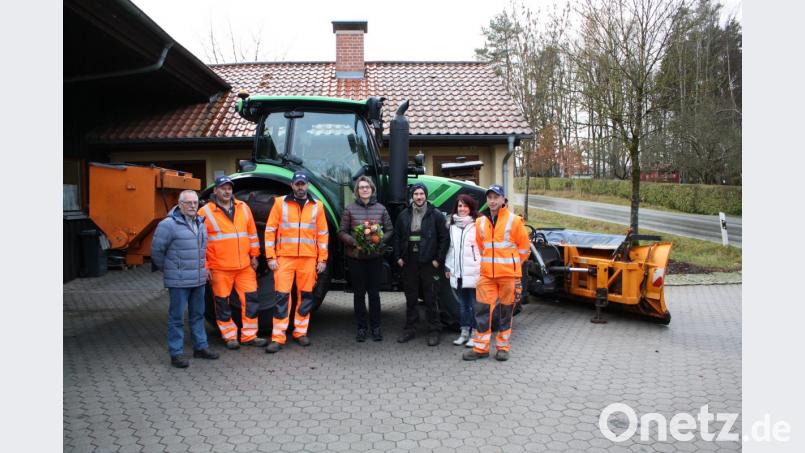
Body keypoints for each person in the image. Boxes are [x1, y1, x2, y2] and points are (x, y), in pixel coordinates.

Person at [151, 189, 220, 368]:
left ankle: (201, 347)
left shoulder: (201, 222)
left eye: (195, 203)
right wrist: (171, 270)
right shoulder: (168, 224)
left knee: (198, 315)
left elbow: (204, 250)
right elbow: (157, 251)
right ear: (180, 205)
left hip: (198, 279)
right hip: (179, 281)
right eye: (188, 203)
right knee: (176, 318)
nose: (192, 206)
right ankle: (176, 353)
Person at [463, 184, 530, 362]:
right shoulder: (480, 221)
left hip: (508, 276)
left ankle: (502, 348)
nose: (492, 201)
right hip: (486, 276)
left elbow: (524, 249)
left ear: (503, 200)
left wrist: (513, 267)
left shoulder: (514, 221)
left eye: (495, 197)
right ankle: (480, 348)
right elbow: (480, 246)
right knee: (482, 312)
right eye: (489, 197)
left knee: (505, 312)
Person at [264, 172, 329, 353]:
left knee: (306, 297)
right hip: (284, 258)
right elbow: (270, 231)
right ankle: (278, 337)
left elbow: (323, 234)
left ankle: (300, 332)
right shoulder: (280, 203)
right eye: (297, 184)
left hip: (308, 259)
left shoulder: (318, 206)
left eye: (303, 184)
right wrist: (270, 257)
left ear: (307, 185)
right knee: (282, 297)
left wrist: (322, 259)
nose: (300, 187)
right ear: (292, 185)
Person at [201, 176, 268, 350]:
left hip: (245, 266)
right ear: (215, 190)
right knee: (222, 304)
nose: (226, 191)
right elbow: (200, 243)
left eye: (229, 188)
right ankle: (229, 336)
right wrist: (205, 266)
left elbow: (252, 234)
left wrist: (255, 256)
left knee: (251, 301)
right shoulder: (205, 212)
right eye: (223, 188)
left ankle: (249, 335)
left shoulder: (243, 208)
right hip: (220, 268)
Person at [338, 176, 394, 342]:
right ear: (357, 191)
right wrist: (355, 242)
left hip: (374, 258)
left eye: (367, 187)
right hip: (356, 258)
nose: (364, 190)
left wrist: (378, 241)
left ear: (372, 190)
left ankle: (376, 327)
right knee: (359, 294)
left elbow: (390, 230)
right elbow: (342, 232)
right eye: (361, 187)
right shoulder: (349, 209)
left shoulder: (381, 209)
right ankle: (361, 328)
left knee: (374, 294)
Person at [393, 183, 449, 346]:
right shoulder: (403, 215)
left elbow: (444, 239)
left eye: (421, 194)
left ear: (426, 195)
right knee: (410, 297)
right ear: (412, 196)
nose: (419, 197)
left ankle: (434, 330)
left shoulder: (436, 215)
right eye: (416, 194)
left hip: (429, 262)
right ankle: (410, 328)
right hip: (409, 261)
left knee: (431, 297)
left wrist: (438, 259)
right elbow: (397, 237)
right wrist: (398, 257)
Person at [444, 194, 480, 347]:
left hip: (473, 272)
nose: (462, 209)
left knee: (474, 304)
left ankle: (475, 334)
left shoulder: (477, 225)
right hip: (457, 272)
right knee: (463, 305)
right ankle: (464, 332)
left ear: (470, 208)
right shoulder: (452, 226)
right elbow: (451, 249)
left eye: (465, 206)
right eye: (460, 206)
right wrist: (447, 266)